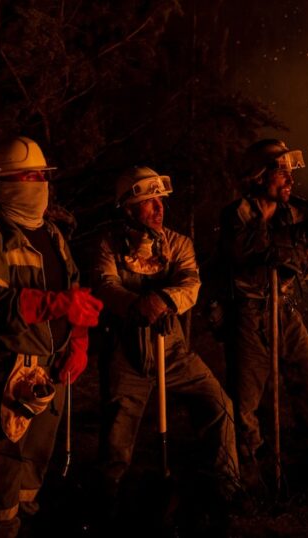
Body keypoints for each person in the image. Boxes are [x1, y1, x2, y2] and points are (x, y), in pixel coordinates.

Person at [0, 136, 102, 537]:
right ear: (5, 183)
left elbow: (75, 290)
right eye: (28, 177)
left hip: (52, 367)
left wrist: (78, 342)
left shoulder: (53, 234)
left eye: (42, 176)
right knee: (3, 468)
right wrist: (55, 305)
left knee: (35, 466)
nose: (39, 184)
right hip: (10, 369)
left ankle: (25, 521)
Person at [92, 166, 241, 515]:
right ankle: (106, 504)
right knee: (116, 437)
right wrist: (134, 305)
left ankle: (227, 490)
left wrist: (163, 300)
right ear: (129, 208)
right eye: (150, 201)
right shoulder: (109, 244)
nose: (159, 207)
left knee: (219, 405)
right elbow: (105, 284)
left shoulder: (178, 243)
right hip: (126, 352)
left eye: (160, 200)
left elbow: (190, 283)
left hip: (172, 347)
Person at [215, 138, 308, 490]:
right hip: (248, 311)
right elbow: (244, 249)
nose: (290, 179)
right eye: (281, 172)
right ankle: (250, 463)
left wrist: (294, 256)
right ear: (258, 176)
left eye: (290, 171)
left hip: (285, 308)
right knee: (244, 399)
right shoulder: (237, 214)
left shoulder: (298, 211)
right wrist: (295, 236)